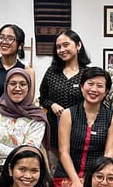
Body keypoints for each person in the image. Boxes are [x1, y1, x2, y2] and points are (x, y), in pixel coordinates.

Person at [54, 67, 113, 187]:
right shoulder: (68, 114)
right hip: (67, 174)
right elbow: (63, 152)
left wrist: (94, 179)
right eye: (90, 84)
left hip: (97, 176)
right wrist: (76, 181)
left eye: (100, 86)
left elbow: (108, 154)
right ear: (82, 86)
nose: (94, 89)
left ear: (106, 91)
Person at [0, 68, 48, 187]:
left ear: (29, 88)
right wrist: (17, 151)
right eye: (13, 84)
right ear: (6, 86)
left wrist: (5, 172)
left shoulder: (37, 117)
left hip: (23, 169)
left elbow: (28, 151)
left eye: (22, 84)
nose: (17, 88)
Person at [38, 30, 91, 159]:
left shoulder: (88, 74)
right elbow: (42, 98)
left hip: (80, 131)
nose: (62, 50)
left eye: (66, 45)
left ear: (78, 45)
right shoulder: (51, 72)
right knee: (56, 167)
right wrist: (52, 105)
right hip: (55, 131)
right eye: (58, 47)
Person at [0, 24, 36, 110]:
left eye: (10, 39)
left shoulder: (28, 71)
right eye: (1, 37)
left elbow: (29, 102)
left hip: (18, 116)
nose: (4, 42)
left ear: (20, 45)